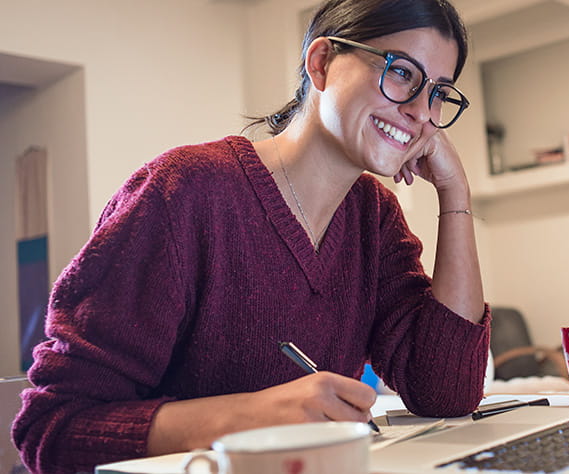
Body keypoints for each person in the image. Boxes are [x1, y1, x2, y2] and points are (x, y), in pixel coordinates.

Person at [12, 0, 490, 472]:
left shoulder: (374, 217)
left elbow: (445, 391)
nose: (421, 113)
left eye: (438, 93)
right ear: (321, 63)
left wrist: (454, 194)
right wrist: (247, 418)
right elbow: (53, 428)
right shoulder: (184, 190)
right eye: (402, 72)